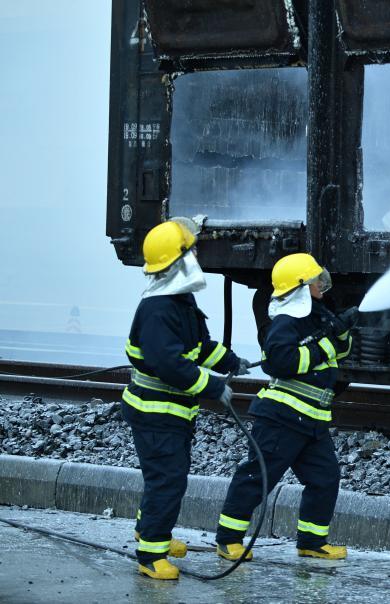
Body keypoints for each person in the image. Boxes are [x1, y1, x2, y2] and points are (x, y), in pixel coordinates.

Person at [122, 218, 251, 580]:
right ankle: (151, 553)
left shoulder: (179, 300)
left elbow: (197, 346)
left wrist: (230, 361)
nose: (196, 253)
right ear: (177, 259)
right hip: (156, 413)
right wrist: (212, 387)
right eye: (191, 249)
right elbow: (169, 363)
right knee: (169, 480)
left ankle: (150, 530)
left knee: (161, 477)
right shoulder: (159, 309)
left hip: (170, 414)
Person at [215, 252, 355, 562]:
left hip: (313, 420)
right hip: (284, 418)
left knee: (325, 479)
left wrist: (342, 330)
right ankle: (228, 539)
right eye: (315, 279)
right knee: (257, 478)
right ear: (301, 286)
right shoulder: (285, 322)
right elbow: (279, 362)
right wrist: (325, 346)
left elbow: (339, 351)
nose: (322, 283)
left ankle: (311, 541)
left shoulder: (318, 315)